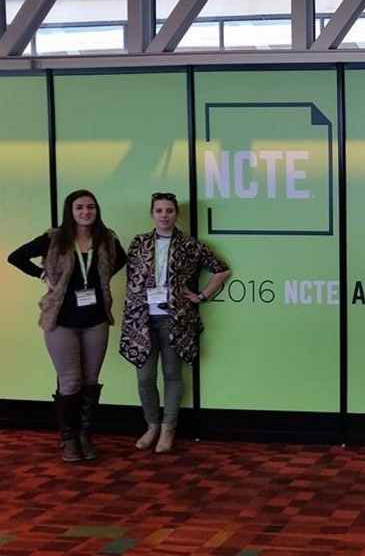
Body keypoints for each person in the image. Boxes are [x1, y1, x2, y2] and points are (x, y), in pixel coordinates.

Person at [7, 190, 126, 462]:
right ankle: (68, 439)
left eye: (91, 207)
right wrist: (42, 274)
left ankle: (85, 435)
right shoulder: (54, 239)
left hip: (96, 320)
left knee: (90, 380)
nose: (86, 212)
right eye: (80, 207)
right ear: (69, 211)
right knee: (70, 381)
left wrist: (101, 278)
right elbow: (16, 257)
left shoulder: (106, 239)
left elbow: (121, 260)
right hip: (61, 321)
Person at [119, 192, 230, 453]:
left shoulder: (190, 245)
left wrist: (201, 296)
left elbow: (222, 270)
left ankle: (169, 428)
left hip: (175, 319)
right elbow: (131, 278)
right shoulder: (139, 242)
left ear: (176, 214)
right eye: (159, 210)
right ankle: (152, 426)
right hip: (141, 321)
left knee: (172, 375)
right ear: (152, 213)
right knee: (145, 377)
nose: (164, 215)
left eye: (169, 210)